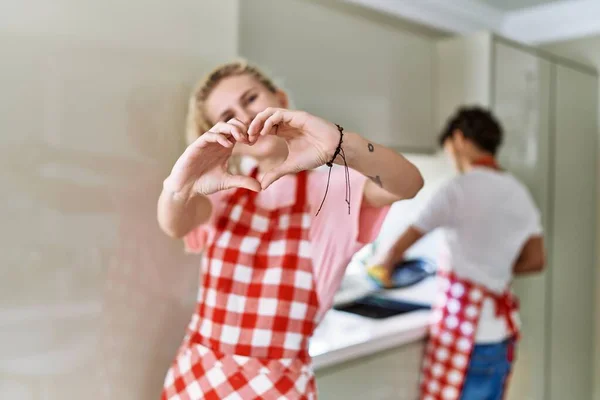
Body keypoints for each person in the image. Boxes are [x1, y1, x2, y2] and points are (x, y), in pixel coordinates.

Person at [157, 60, 424, 399]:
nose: (244, 115)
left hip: (276, 387)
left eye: (250, 98)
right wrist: (181, 184)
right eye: (227, 117)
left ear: (280, 98)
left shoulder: (332, 191)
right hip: (195, 378)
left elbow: (409, 184)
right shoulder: (222, 190)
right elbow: (173, 223)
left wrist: (341, 144)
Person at [369, 106, 545, 400]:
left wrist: (382, 268)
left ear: (459, 139)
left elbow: (400, 245)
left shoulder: (458, 189)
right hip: (500, 334)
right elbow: (536, 260)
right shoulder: (519, 193)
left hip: (464, 334)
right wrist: (493, 268)